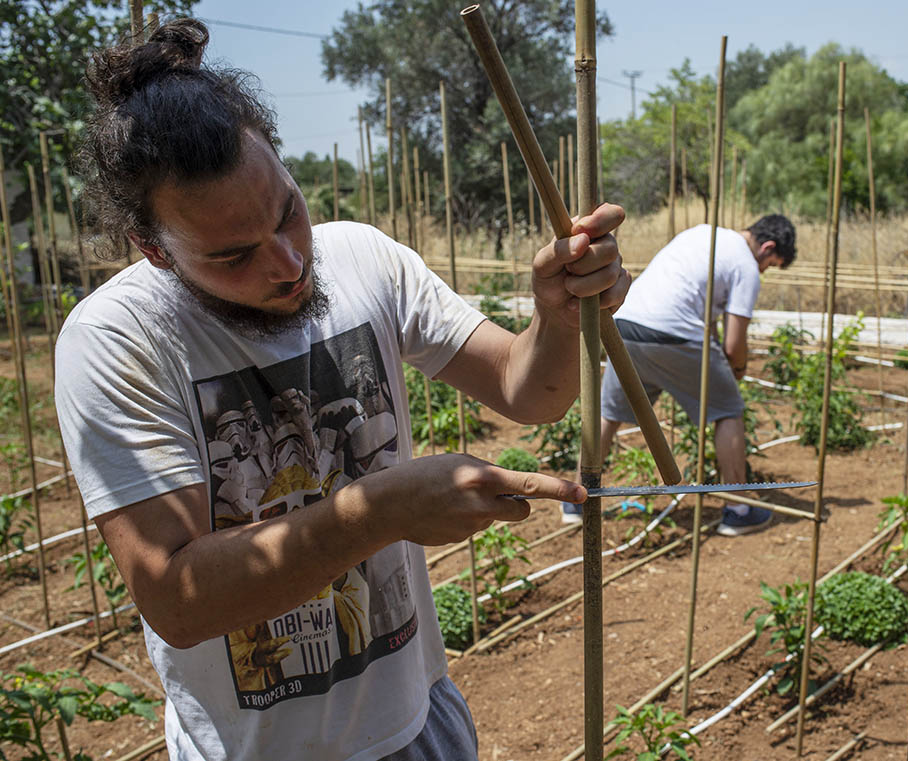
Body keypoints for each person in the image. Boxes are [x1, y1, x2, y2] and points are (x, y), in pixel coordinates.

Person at [55, 19, 631, 761]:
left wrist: (555, 316)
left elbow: (528, 392)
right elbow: (176, 598)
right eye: (233, 255)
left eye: (287, 210)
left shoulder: (364, 258)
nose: (290, 261)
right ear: (153, 250)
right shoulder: (117, 339)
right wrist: (381, 509)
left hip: (420, 719)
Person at [561, 216, 796, 535]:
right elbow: (734, 341)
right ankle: (738, 508)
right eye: (772, 263)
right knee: (728, 411)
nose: (766, 270)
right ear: (768, 247)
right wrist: (736, 370)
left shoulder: (703, 234)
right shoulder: (746, 265)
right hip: (675, 335)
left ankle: (576, 500)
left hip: (626, 325)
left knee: (610, 413)